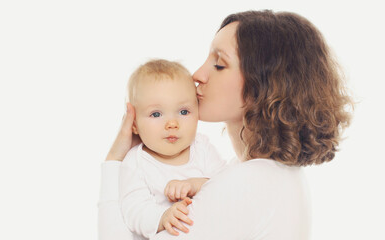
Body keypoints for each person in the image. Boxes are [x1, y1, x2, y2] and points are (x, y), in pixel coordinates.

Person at [98, 10, 352, 240]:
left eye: (219, 64)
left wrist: (113, 162)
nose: (197, 74)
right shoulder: (262, 173)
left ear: (261, 86)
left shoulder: (252, 181)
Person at [119, 59, 228, 239]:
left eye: (183, 112)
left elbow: (227, 185)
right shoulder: (135, 162)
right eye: (156, 114)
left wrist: (195, 185)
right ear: (134, 125)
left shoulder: (202, 147)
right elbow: (134, 210)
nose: (172, 123)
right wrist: (163, 217)